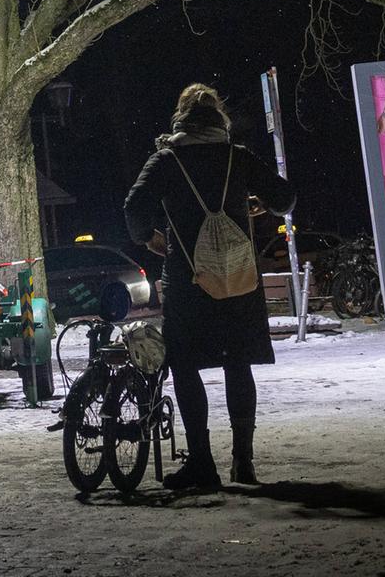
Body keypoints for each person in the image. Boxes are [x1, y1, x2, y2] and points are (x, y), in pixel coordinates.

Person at [124, 83, 295, 491]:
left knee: (185, 366)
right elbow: (285, 198)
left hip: (189, 280)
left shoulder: (167, 160)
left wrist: (150, 237)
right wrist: (257, 202)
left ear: (181, 117)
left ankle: (202, 462)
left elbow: (134, 208)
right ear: (220, 117)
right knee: (238, 363)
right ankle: (243, 462)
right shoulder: (237, 156)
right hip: (237, 278)